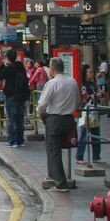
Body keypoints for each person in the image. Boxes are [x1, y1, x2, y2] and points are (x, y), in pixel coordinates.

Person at [36, 57, 80, 191]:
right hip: (69, 119)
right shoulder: (72, 82)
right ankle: (52, 176)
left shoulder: (52, 84)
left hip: (54, 119)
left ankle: (60, 183)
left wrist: (40, 112)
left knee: (53, 151)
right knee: (57, 148)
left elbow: (42, 105)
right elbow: (78, 101)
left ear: (53, 69)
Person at [0, 49, 30, 147]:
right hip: (21, 96)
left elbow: (0, 77)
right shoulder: (21, 66)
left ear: (7, 58)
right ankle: (21, 140)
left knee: (12, 119)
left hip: (11, 96)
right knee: (20, 119)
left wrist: (3, 65)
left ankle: (14, 140)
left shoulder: (9, 68)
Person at [75, 63, 103, 165]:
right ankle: (79, 156)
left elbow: (101, 94)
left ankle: (96, 156)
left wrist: (98, 86)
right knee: (84, 134)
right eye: (90, 72)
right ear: (85, 74)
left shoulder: (93, 83)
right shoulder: (83, 85)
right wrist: (94, 95)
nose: (91, 74)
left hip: (94, 111)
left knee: (96, 133)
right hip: (86, 111)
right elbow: (86, 97)